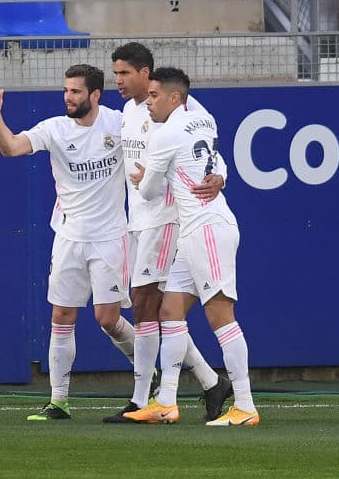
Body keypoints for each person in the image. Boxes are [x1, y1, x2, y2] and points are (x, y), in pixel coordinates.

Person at [0, 65, 137, 422]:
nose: (68, 97)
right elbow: (11, 148)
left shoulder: (119, 123)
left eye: (76, 92)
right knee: (61, 316)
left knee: (108, 320)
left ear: (94, 95)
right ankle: (58, 401)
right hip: (68, 237)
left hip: (111, 237)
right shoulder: (55, 129)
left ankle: (146, 367)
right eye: (66, 90)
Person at [103, 43, 233, 423]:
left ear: (146, 74)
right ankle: (211, 382)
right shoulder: (128, 112)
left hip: (167, 218)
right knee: (158, 308)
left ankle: (143, 399)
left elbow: (212, 149)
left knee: (146, 302)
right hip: (138, 219)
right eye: (115, 73)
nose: (119, 81)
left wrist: (220, 176)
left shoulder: (186, 108)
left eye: (125, 73)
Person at [124, 67, 259, 426]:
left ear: (173, 98)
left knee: (220, 316)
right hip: (197, 228)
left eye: (154, 96)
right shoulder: (204, 119)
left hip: (207, 229)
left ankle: (245, 405)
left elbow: (150, 191)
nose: (148, 103)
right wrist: (221, 177)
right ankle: (166, 400)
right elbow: (217, 163)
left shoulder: (164, 134)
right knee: (170, 311)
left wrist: (141, 178)